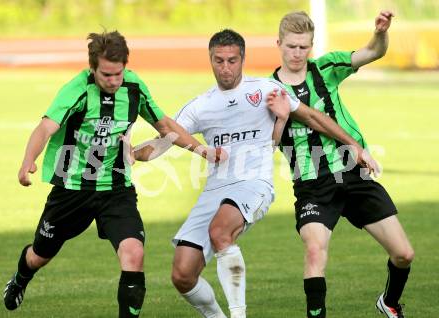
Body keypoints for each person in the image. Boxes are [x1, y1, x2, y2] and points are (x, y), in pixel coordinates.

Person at [133, 28, 377, 318]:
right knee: (183, 274)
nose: (225, 68)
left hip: (253, 184)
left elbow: (313, 117)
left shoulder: (264, 90)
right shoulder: (201, 106)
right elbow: (163, 142)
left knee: (220, 231)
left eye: (232, 60)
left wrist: (353, 145)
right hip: (215, 190)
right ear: (210, 60)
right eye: (219, 60)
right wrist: (131, 154)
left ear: (243, 59)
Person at [3, 30, 223, 317]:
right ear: (92, 68)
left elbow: (165, 126)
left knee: (134, 254)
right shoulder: (77, 89)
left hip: (117, 187)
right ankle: (20, 278)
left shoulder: (133, 87)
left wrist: (203, 151)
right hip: (73, 189)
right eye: (106, 75)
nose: (113, 81)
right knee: (39, 256)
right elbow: (46, 126)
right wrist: (27, 161)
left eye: (118, 73)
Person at [271, 11, 414, 318]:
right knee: (314, 250)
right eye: (291, 46)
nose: (297, 53)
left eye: (303, 47)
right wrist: (281, 117)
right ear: (278, 43)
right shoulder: (265, 93)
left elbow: (374, 51)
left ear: (311, 46)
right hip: (312, 184)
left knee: (404, 254)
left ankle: (389, 302)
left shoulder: (326, 67)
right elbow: (267, 144)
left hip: (354, 173)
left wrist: (379, 32)